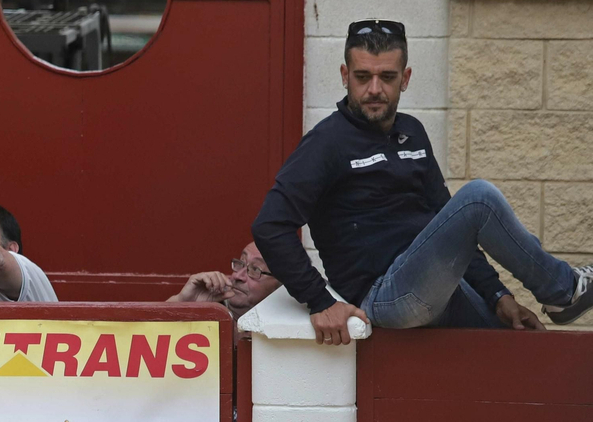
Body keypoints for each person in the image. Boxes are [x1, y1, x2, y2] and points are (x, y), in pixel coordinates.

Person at [252, 18, 593, 345]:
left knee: (518, 349)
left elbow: (453, 225)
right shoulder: (326, 142)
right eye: (362, 77)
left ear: (405, 78)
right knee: (478, 198)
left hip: (436, 285)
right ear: (345, 76)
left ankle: (555, 296)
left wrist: (498, 294)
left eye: (387, 77)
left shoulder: (412, 132)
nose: (374, 89)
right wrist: (320, 300)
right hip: (384, 297)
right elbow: (270, 225)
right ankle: (564, 291)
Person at [167, 241, 282, 320]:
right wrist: (184, 302)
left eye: (255, 269)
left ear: (281, 286)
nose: (237, 276)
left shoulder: (286, 330)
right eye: (241, 263)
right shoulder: (212, 310)